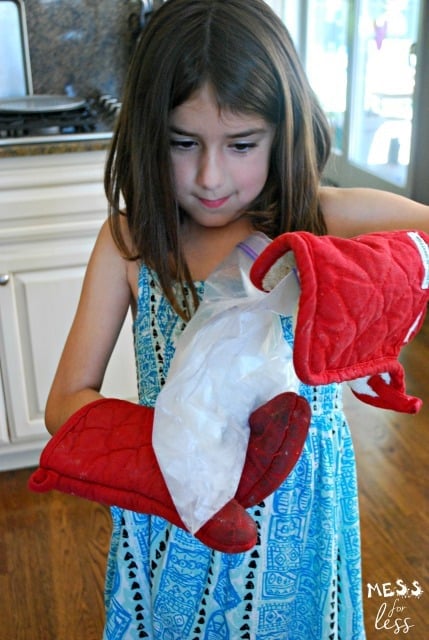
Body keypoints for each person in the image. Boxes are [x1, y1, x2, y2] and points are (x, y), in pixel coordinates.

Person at [44, 1, 429, 638]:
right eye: (182, 142)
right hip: (176, 515)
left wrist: (379, 286)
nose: (209, 176)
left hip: (297, 529)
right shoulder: (129, 243)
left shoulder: (318, 221)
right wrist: (178, 453)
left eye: (242, 144)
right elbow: (65, 401)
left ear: (283, 131)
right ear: (147, 132)